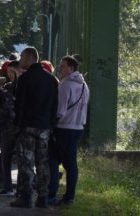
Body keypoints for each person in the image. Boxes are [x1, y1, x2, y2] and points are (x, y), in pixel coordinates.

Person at [10, 47, 58, 208]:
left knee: (27, 162)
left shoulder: (25, 79)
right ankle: (43, 197)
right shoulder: (50, 79)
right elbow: (54, 105)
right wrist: (51, 125)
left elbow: (19, 105)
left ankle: (26, 196)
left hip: (28, 126)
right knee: (43, 162)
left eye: (22, 56)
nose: (20, 59)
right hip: (44, 127)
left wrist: (17, 125)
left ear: (31, 58)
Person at [48, 55, 90, 205]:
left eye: (63, 66)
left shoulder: (65, 85)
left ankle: (51, 194)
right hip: (78, 128)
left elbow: (60, 111)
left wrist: (52, 124)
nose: (60, 68)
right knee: (71, 163)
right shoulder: (84, 85)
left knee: (52, 159)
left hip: (64, 128)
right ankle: (69, 196)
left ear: (71, 68)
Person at [0, 61, 21, 196]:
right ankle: (8, 186)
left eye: (12, 72)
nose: (9, 74)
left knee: (14, 156)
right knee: (7, 156)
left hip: (12, 125)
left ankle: (12, 188)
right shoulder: (8, 86)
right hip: (9, 126)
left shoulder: (16, 87)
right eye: (8, 72)